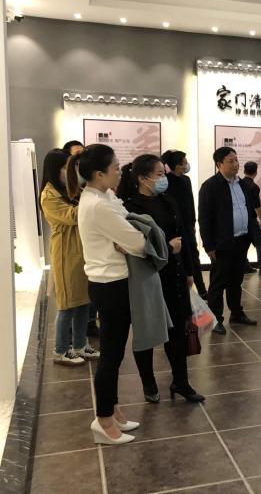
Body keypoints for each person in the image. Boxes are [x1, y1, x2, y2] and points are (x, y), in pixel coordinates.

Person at [117, 154, 205, 403]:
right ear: (143, 179)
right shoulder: (130, 208)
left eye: (163, 174)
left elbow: (184, 237)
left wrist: (189, 271)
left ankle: (181, 382)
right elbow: (137, 247)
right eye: (159, 175)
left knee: (178, 332)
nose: (163, 179)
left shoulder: (168, 200)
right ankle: (148, 382)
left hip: (174, 274)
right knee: (147, 332)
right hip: (148, 278)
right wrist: (168, 246)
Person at [76, 143, 146, 445]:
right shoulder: (98, 204)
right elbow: (137, 240)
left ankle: (112, 409)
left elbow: (128, 221)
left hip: (114, 282)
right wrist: (132, 240)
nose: (120, 172)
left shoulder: (104, 196)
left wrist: (128, 239)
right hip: (110, 285)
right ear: (99, 174)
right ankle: (104, 419)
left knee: (115, 353)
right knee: (111, 354)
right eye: (115, 168)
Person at [40, 149, 99, 366]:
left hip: (82, 251)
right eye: (66, 168)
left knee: (83, 302)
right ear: (55, 170)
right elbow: (72, 216)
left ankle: (80, 345)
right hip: (65, 253)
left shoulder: (71, 190)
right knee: (66, 305)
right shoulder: (49, 195)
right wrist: (92, 197)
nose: (71, 171)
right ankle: (60, 350)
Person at [198, 147, 259, 335]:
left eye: (236, 160)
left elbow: (248, 210)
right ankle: (215, 319)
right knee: (218, 283)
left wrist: (253, 235)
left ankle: (236, 313)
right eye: (231, 161)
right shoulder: (210, 186)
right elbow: (204, 218)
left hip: (241, 240)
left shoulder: (243, 184)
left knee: (236, 280)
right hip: (222, 243)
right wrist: (208, 245)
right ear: (219, 164)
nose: (236, 164)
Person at [160, 149, 208, 298]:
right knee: (178, 258)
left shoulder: (186, 180)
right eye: (184, 163)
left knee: (193, 257)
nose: (186, 165)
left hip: (187, 226)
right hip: (173, 227)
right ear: (175, 165)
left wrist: (193, 222)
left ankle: (202, 289)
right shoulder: (165, 181)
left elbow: (191, 203)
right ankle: (182, 290)